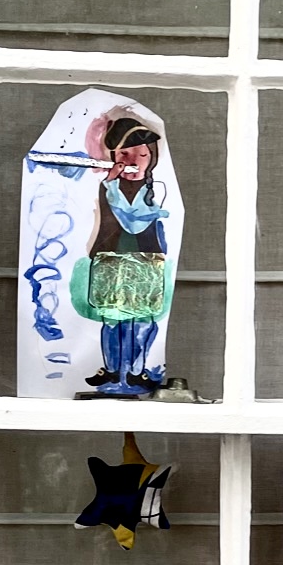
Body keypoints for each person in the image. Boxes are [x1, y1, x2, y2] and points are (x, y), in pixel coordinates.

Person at [82, 115, 170, 397]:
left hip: (145, 259)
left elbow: (134, 221)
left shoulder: (157, 188)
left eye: (141, 155)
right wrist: (110, 184)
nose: (133, 162)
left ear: (151, 157)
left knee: (142, 317)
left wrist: (111, 187)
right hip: (110, 257)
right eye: (124, 155)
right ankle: (111, 368)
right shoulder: (108, 186)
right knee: (111, 317)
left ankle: (136, 371)